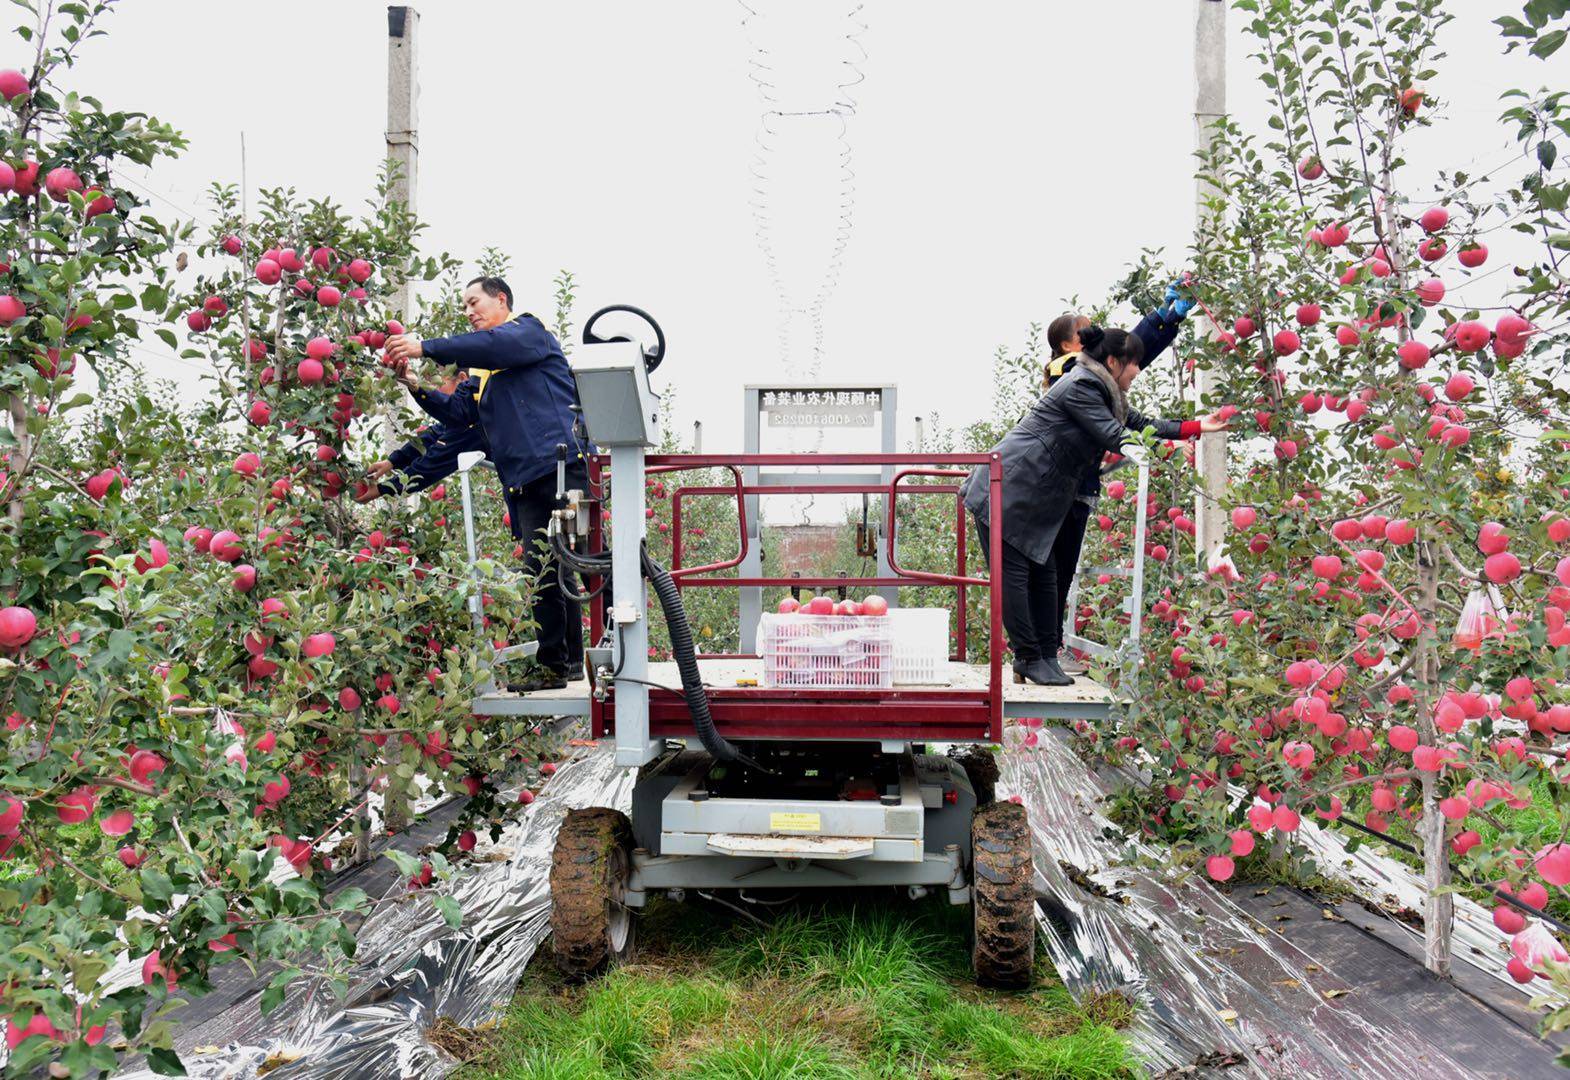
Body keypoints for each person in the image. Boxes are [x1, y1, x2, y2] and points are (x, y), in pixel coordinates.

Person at [962, 324, 1227, 686]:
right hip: (1009, 486)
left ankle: (1041, 656)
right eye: (1134, 364)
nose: (1137, 371)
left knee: (1046, 574)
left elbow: (1140, 424)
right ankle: (1028, 656)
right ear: (1115, 362)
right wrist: (1159, 450)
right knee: (1017, 577)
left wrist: (1197, 426)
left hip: (1034, 493)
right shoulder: (1082, 386)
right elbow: (1112, 434)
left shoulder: (1104, 391)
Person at [384, 277, 590, 690]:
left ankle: (617, 651)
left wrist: (425, 346)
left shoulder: (528, 333)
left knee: (591, 562)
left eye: (473, 302)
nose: (468, 311)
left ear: (502, 300)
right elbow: (460, 415)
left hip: (561, 466)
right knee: (544, 573)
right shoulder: (482, 372)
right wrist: (414, 386)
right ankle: (557, 664)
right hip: (524, 479)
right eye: (464, 306)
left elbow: (493, 345)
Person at [1044, 281, 1195, 675]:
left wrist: (1163, 323)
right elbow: (1118, 353)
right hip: (1063, 488)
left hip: (1076, 487)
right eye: (1086, 332)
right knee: (1055, 571)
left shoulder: (1088, 372)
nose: (1095, 337)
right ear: (1067, 345)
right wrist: (1158, 320)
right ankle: (1046, 650)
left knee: (1059, 569)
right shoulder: (1065, 370)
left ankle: (1048, 648)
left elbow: (1126, 355)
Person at [358, 369, 489, 500]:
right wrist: (391, 462)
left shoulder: (481, 414)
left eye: (437, 385)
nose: (435, 393)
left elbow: (435, 462)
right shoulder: (464, 418)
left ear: (462, 379)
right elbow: (433, 436)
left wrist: (381, 490)